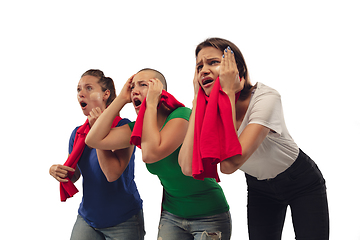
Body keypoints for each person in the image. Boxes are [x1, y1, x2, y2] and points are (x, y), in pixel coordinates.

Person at [178, 38, 329, 240]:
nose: (203, 70)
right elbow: (187, 167)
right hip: (260, 188)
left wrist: (229, 93)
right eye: (199, 66)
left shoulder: (266, 98)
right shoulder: (207, 110)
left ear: (236, 68)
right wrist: (197, 103)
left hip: (300, 181)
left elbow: (231, 164)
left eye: (213, 62)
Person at [85, 68, 232, 240]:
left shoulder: (182, 116)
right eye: (132, 87)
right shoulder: (136, 129)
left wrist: (152, 104)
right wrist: (121, 99)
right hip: (172, 216)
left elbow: (151, 154)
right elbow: (93, 140)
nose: (135, 91)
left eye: (143, 85)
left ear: (160, 92)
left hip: (210, 215)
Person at [49, 69, 145, 240]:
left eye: (88, 88)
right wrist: (58, 171)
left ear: (106, 94)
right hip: (88, 218)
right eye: (78, 90)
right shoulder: (77, 134)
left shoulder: (124, 128)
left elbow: (112, 174)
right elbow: (76, 174)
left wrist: (96, 132)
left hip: (124, 220)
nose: (81, 94)